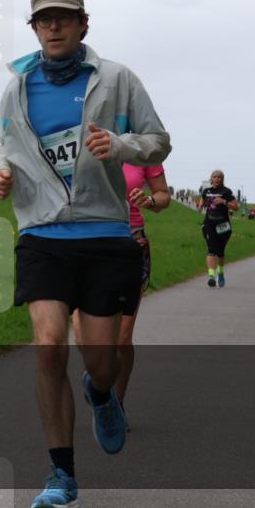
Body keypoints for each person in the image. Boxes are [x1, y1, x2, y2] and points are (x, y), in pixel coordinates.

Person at [0, 0, 171, 508]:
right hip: (42, 234)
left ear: (83, 24)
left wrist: (119, 145)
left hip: (106, 234)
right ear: (34, 28)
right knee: (48, 346)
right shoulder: (17, 87)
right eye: (44, 19)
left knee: (102, 363)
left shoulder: (117, 78)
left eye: (64, 18)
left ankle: (100, 393)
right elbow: (7, 146)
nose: (53, 26)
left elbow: (158, 140)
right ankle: (61, 475)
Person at [72, 162, 170, 430]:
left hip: (131, 242)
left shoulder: (140, 147)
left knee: (122, 337)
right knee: (85, 340)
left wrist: (149, 200)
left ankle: (115, 403)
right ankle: (98, 376)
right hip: (85, 243)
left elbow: (163, 196)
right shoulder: (82, 139)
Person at [197, 171, 239, 287]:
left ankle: (220, 272)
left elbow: (236, 207)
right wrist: (200, 206)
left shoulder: (226, 192)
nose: (217, 179)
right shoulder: (206, 191)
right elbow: (202, 199)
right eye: (214, 177)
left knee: (220, 252)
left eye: (219, 177)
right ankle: (211, 276)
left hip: (223, 225)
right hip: (209, 224)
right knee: (211, 249)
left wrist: (224, 201)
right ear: (211, 179)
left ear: (222, 179)